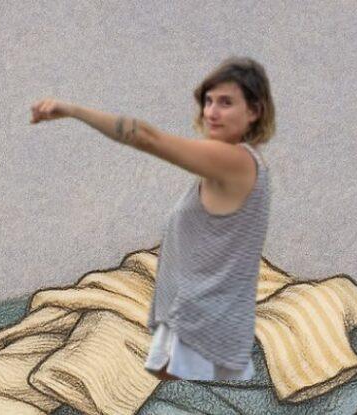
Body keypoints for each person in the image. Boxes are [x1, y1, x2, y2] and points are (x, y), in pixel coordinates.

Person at [30, 56, 274, 381]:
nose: (211, 112)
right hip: (199, 325)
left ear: (254, 111)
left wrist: (73, 111)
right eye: (208, 101)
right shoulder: (233, 165)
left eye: (226, 103)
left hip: (203, 332)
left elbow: (146, 137)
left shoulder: (234, 161)